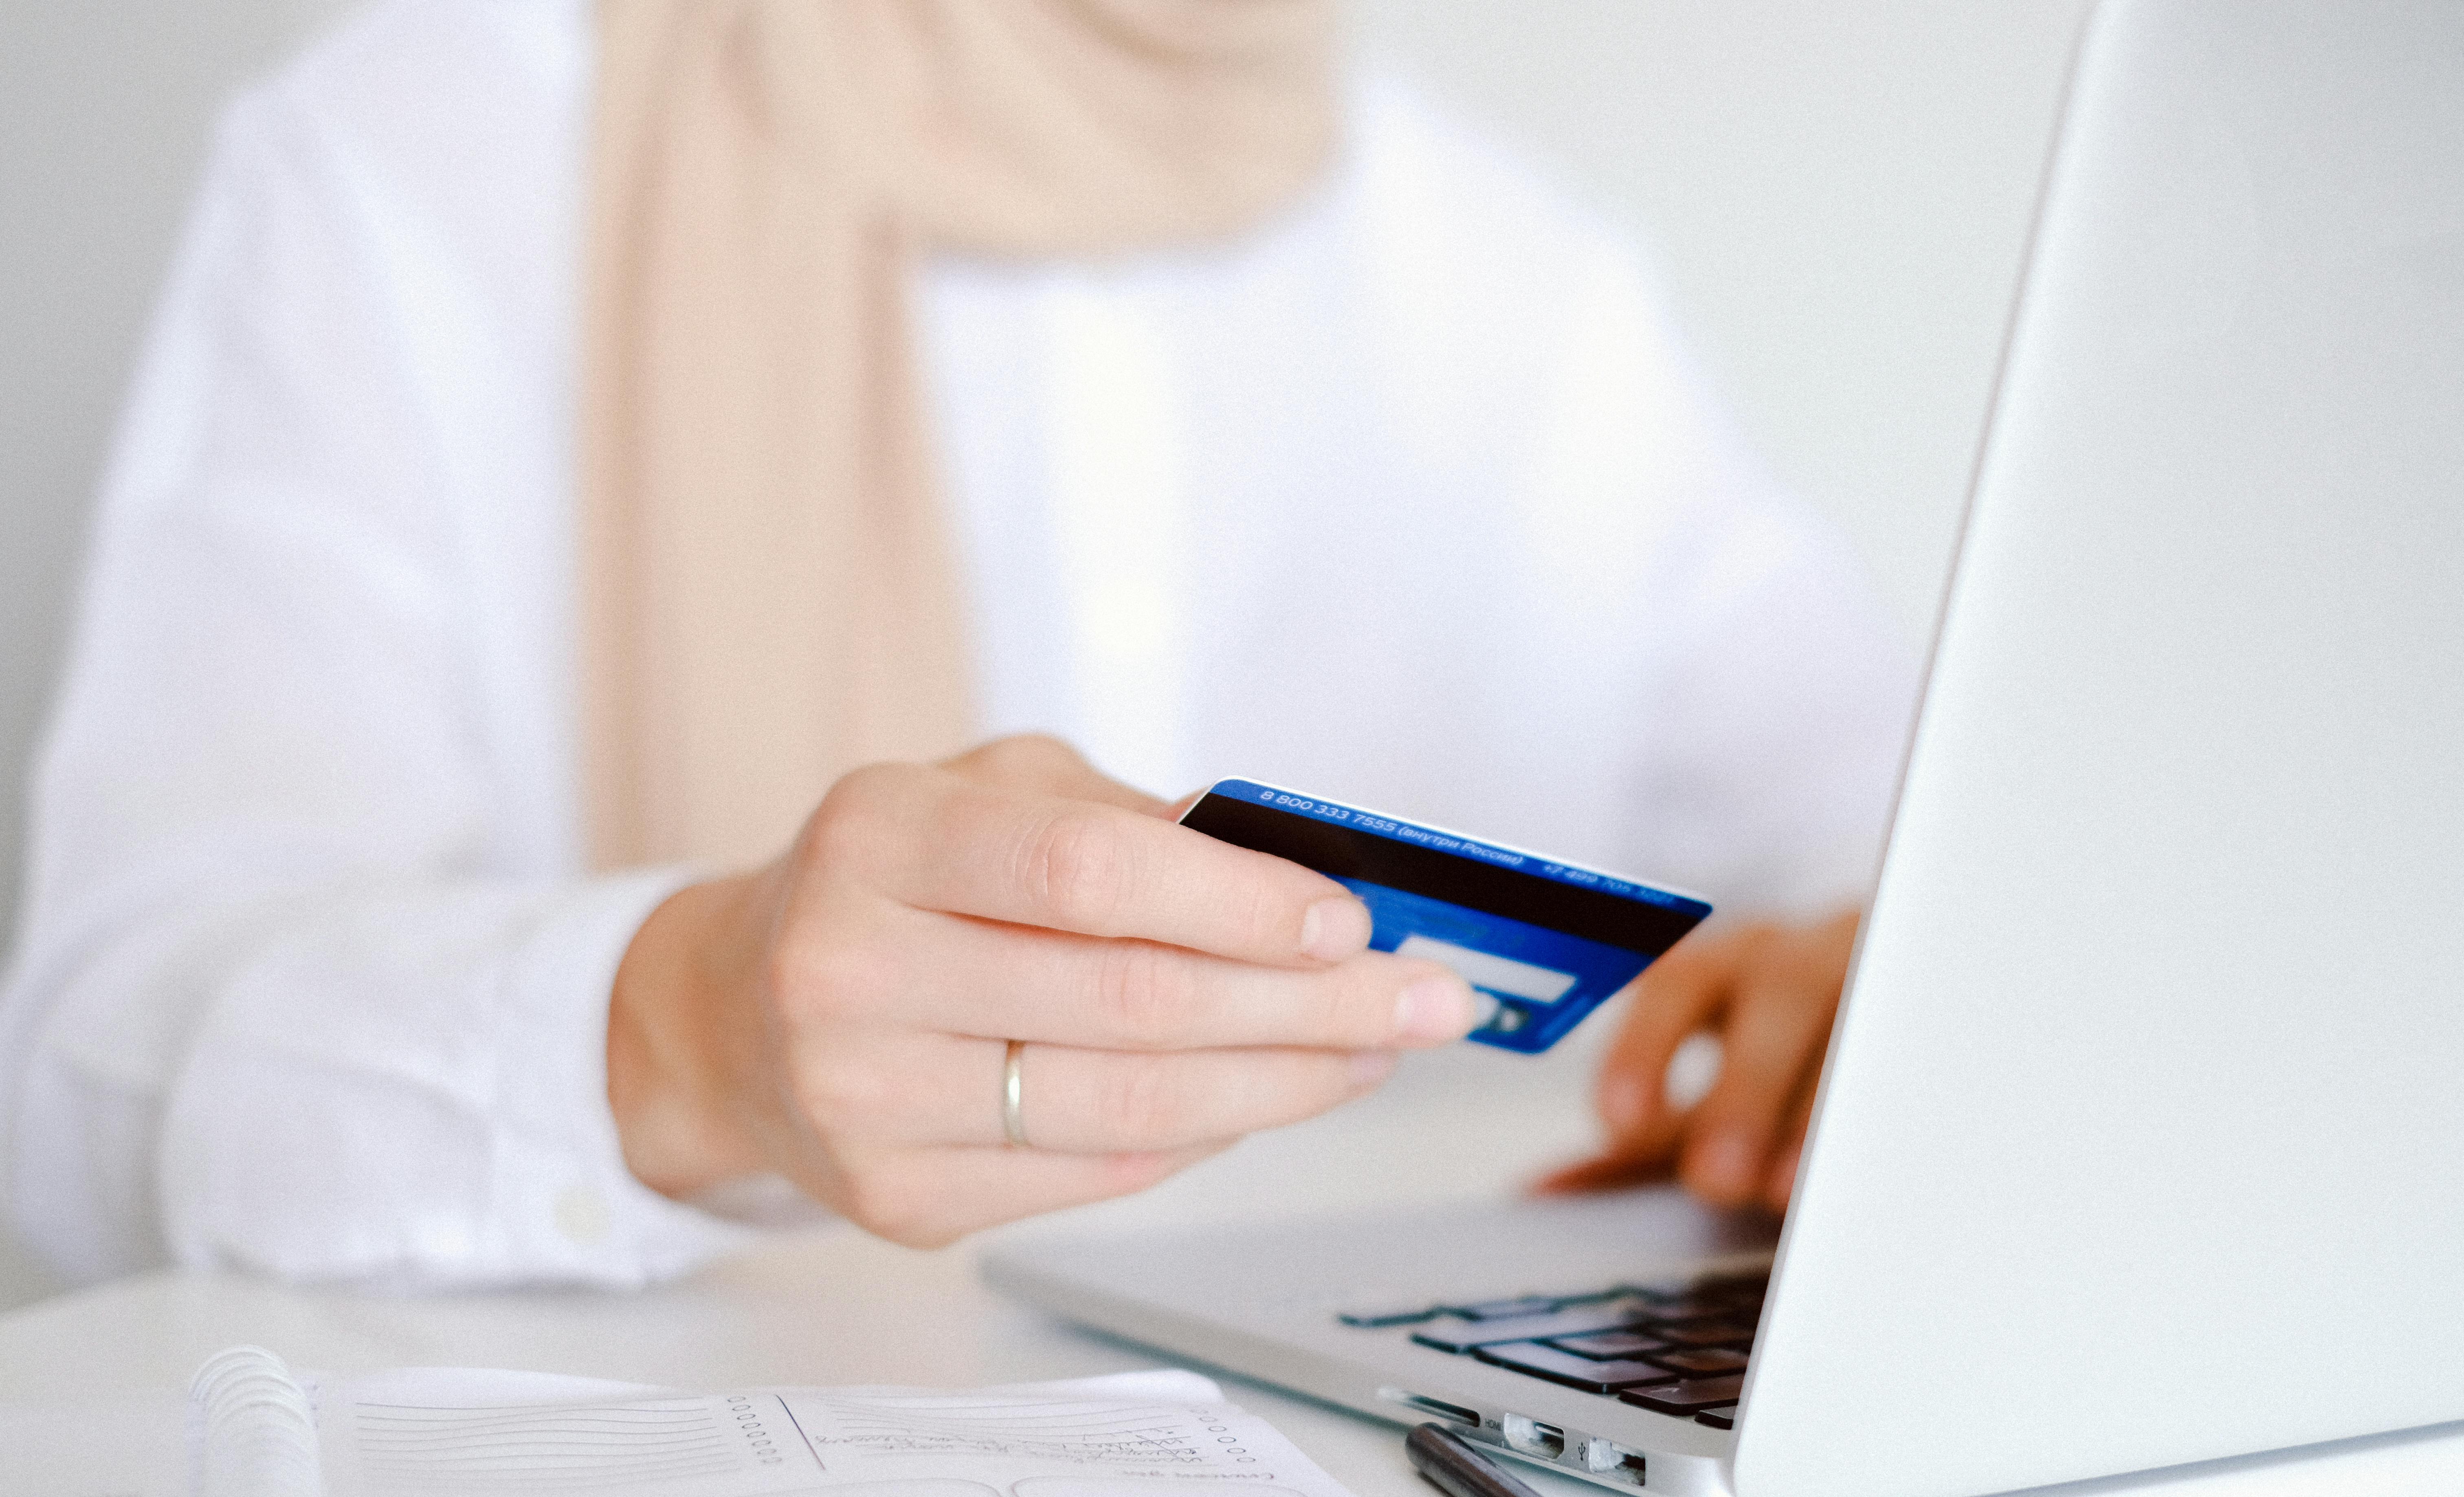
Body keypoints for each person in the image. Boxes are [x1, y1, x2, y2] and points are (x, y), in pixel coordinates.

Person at [0, 0, 1912, 1291]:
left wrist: (1881, 980)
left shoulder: (1526, 281)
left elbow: (1897, 822)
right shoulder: (416, 154)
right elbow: (86, 1091)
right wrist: (677, 1027)